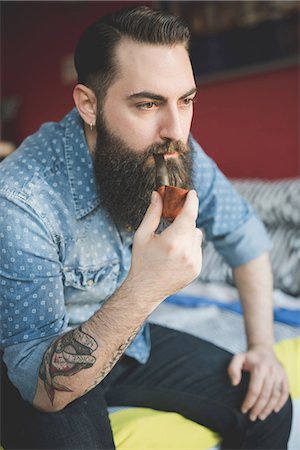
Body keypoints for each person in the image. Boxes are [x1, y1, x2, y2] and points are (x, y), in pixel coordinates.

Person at [0, 6, 292, 449]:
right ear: (88, 105)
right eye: (148, 104)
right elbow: (41, 388)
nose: (175, 128)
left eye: (186, 100)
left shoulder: (173, 149)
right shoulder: (22, 197)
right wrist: (147, 286)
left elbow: (244, 238)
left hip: (131, 343)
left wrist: (263, 348)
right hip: (46, 362)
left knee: (270, 404)